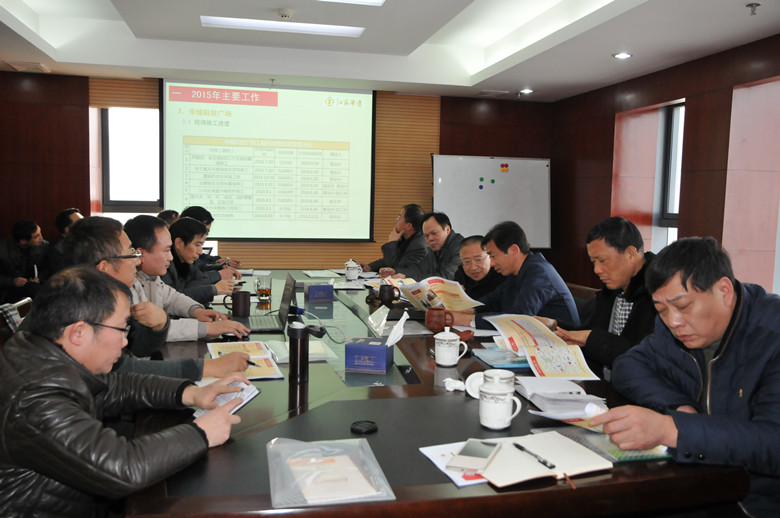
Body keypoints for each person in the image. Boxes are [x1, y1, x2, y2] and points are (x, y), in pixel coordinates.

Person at [0, 266, 248, 516]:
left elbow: (117, 386)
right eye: (120, 329)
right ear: (79, 332)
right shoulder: (33, 399)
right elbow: (123, 467)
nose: (125, 341)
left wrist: (191, 393)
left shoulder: (46, 357)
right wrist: (201, 433)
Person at [591, 237, 780, 517]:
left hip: (753, 501)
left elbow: (773, 443)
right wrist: (679, 408)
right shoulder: (672, 328)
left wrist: (672, 429)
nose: (673, 322)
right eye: (661, 310)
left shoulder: (771, 335)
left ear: (724, 290)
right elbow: (628, 365)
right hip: (700, 481)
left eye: (683, 306)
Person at [64, 216, 249, 379]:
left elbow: (169, 299)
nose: (137, 261)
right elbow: (124, 371)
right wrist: (204, 362)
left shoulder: (132, 283)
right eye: (132, 253)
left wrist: (195, 311)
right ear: (104, 267)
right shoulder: (91, 309)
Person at [554, 217, 656, 379]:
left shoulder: (658, 296)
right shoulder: (612, 291)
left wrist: (590, 339)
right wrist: (554, 326)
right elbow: (591, 333)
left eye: (602, 260)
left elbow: (641, 357)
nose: (597, 270)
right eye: (593, 262)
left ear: (630, 254)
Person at [124, 214, 250, 342]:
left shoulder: (151, 277)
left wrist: (197, 311)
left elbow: (173, 298)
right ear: (141, 253)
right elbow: (150, 329)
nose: (170, 257)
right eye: (166, 250)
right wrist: (208, 328)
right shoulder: (128, 285)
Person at [450, 221, 579, 329]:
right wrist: (469, 310)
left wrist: (467, 320)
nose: (492, 263)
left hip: (563, 344)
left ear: (514, 250)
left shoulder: (538, 272)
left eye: (493, 256)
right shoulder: (517, 271)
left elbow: (521, 317)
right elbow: (494, 300)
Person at [163, 217, 240, 305]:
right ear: (179, 243)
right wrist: (214, 289)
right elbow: (173, 300)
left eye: (201, 245)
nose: (200, 251)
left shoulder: (186, 262)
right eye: (197, 245)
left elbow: (199, 279)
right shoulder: (164, 265)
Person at [384, 212, 464, 280]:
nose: (430, 239)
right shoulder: (434, 248)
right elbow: (418, 269)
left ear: (447, 229)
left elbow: (447, 277)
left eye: (434, 233)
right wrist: (396, 272)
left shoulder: (462, 248)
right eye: (426, 236)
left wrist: (409, 278)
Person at [360, 203, 427, 276]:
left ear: (408, 226)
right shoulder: (406, 238)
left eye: (399, 218)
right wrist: (370, 267)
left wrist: (392, 242)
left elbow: (395, 267)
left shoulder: (418, 246)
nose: (396, 220)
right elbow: (389, 260)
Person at [0, 219, 48, 303]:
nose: (41, 237)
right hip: (9, 290)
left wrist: (40, 278)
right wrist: (12, 281)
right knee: (34, 288)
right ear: (23, 241)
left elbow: (47, 268)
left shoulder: (43, 245)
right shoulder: (2, 252)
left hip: (34, 284)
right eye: (37, 236)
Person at [453, 235, 504, 299]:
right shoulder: (460, 275)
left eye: (478, 260)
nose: (473, 267)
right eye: (467, 261)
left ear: (491, 257)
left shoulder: (503, 276)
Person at [44, 207, 83, 278]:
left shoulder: (86, 240)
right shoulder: (57, 251)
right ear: (67, 229)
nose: (84, 224)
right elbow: (65, 277)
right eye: (80, 223)